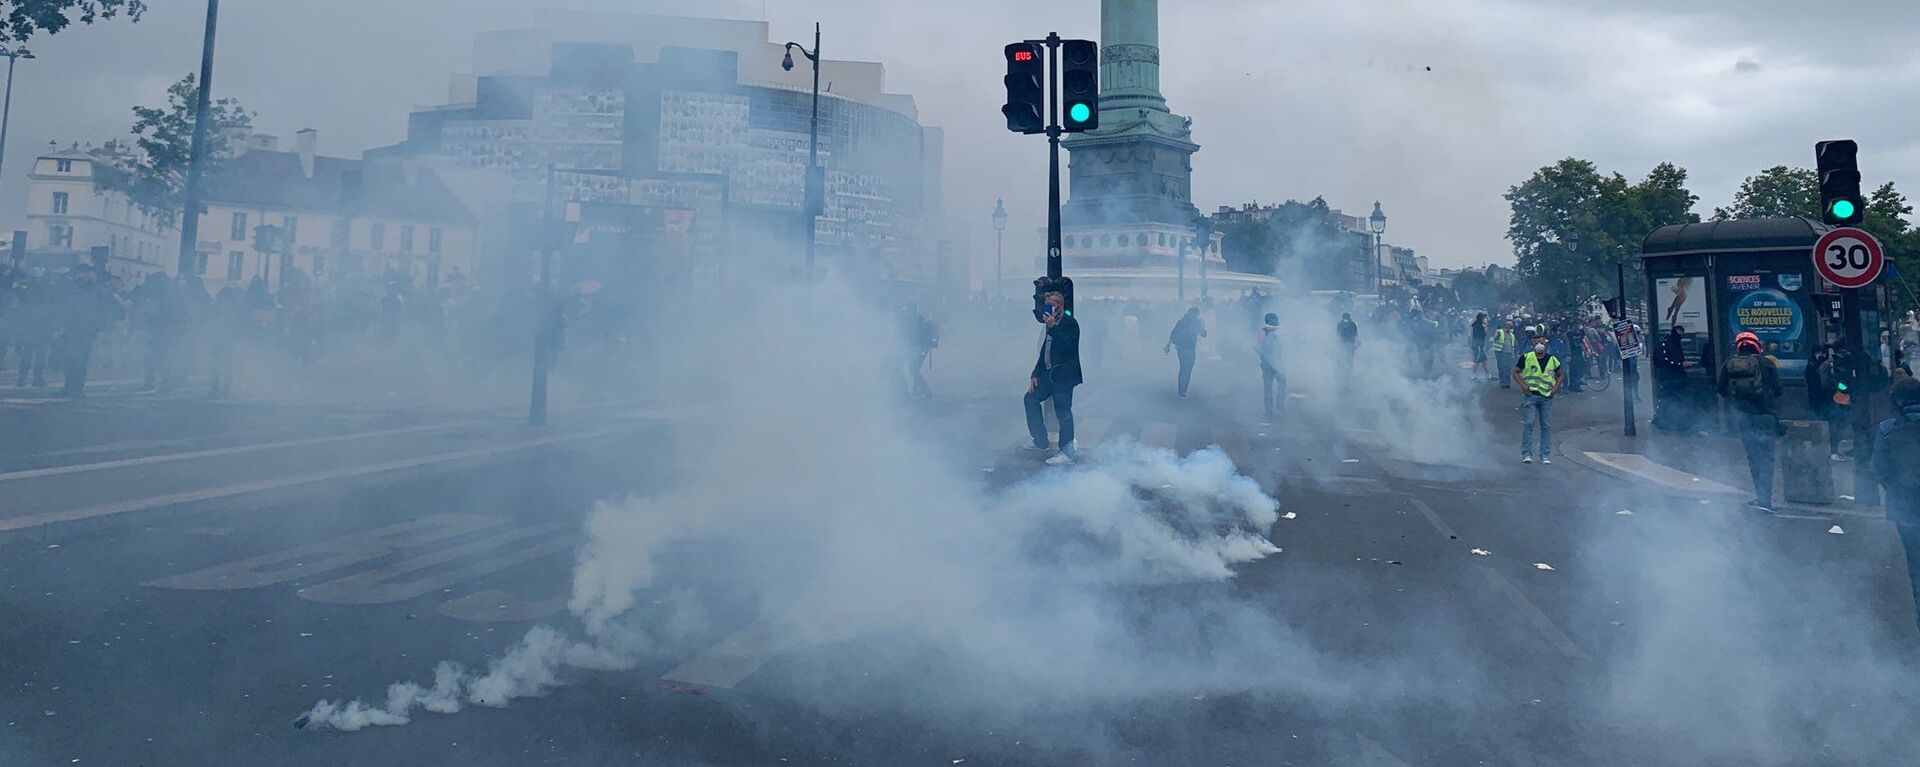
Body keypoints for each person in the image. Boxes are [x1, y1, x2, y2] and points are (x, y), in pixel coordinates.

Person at [1871, 377, 1920, 633]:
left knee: (1917, 566)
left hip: (1906, 510)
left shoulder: (1887, 429)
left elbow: (1878, 470)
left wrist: (1897, 491)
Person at [1718, 331, 1783, 512]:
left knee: (1753, 458)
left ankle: (1758, 496)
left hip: (1744, 418)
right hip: (1766, 416)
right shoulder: (1766, 363)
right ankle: (1765, 499)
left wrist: (1737, 402)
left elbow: (1721, 389)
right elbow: (1778, 390)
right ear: (1757, 345)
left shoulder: (1730, 364)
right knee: (1767, 458)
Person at [1025, 291, 1082, 465]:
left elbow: (1067, 346)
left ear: (1060, 306)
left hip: (1064, 377)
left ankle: (1067, 451)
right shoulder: (1048, 326)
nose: (1048, 307)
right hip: (1048, 376)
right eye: (1046, 304)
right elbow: (1044, 351)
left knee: (1063, 412)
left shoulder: (1069, 323)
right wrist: (1035, 373)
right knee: (1030, 399)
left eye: (1052, 304)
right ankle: (1040, 441)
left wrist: (1053, 327)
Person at [1514, 329, 1564, 464]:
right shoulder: (1526, 357)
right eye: (1535, 342)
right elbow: (1515, 372)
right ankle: (1527, 454)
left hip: (1547, 397)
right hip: (1531, 396)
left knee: (1546, 426)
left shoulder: (1552, 359)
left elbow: (1560, 374)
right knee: (1529, 424)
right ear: (1532, 344)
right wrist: (1523, 385)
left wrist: (1555, 388)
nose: (1538, 344)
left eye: (1540, 341)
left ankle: (1545, 455)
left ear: (1544, 343)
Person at [1165, 306, 1206, 398]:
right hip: (1190, 349)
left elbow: (1173, 333)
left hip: (1180, 349)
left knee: (1183, 368)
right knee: (1187, 370)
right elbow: (1204, 334)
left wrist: (1168, 345)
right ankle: (1183, 390)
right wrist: (1203, 324)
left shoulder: (1181, 321)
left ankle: (1181, 390)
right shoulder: (1196, 323)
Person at [1255, 312, 1283, 421]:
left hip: (1274, 363)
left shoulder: (1271, 332)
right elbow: (1257, 347)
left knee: (1274, 384)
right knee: (1270, 386)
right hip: (1269, 363)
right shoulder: (1263, 332)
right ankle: (1271, 410)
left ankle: (1274, 409)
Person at [1491, 319, 1517, 387]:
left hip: (1509, 353)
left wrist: (1513, 354)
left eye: (1511, 327)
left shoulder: (1512, 335)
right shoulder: (1499, 332)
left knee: (1508, 368)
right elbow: (1495, 339)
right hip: (1501, 352)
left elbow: (1513, 345)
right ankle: (1502, 382)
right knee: (1502, 367)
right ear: (1505, 326)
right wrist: (1498, 335)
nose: (1510, 328)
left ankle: (1507, 383)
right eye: (1508, 327)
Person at [1469, 312, 1490, 381]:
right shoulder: (1481, 325)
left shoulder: (1474, 324)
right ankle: (1473, 375)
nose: (1486, 319)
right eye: (1484, 318)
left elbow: (1471, 334)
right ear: (1481, 318)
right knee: (1477, 361)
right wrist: (1486, 325)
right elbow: (1486, 333)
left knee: (1483, 360)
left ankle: (1488, 375)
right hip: (1478, 345)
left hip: (1477, 344)